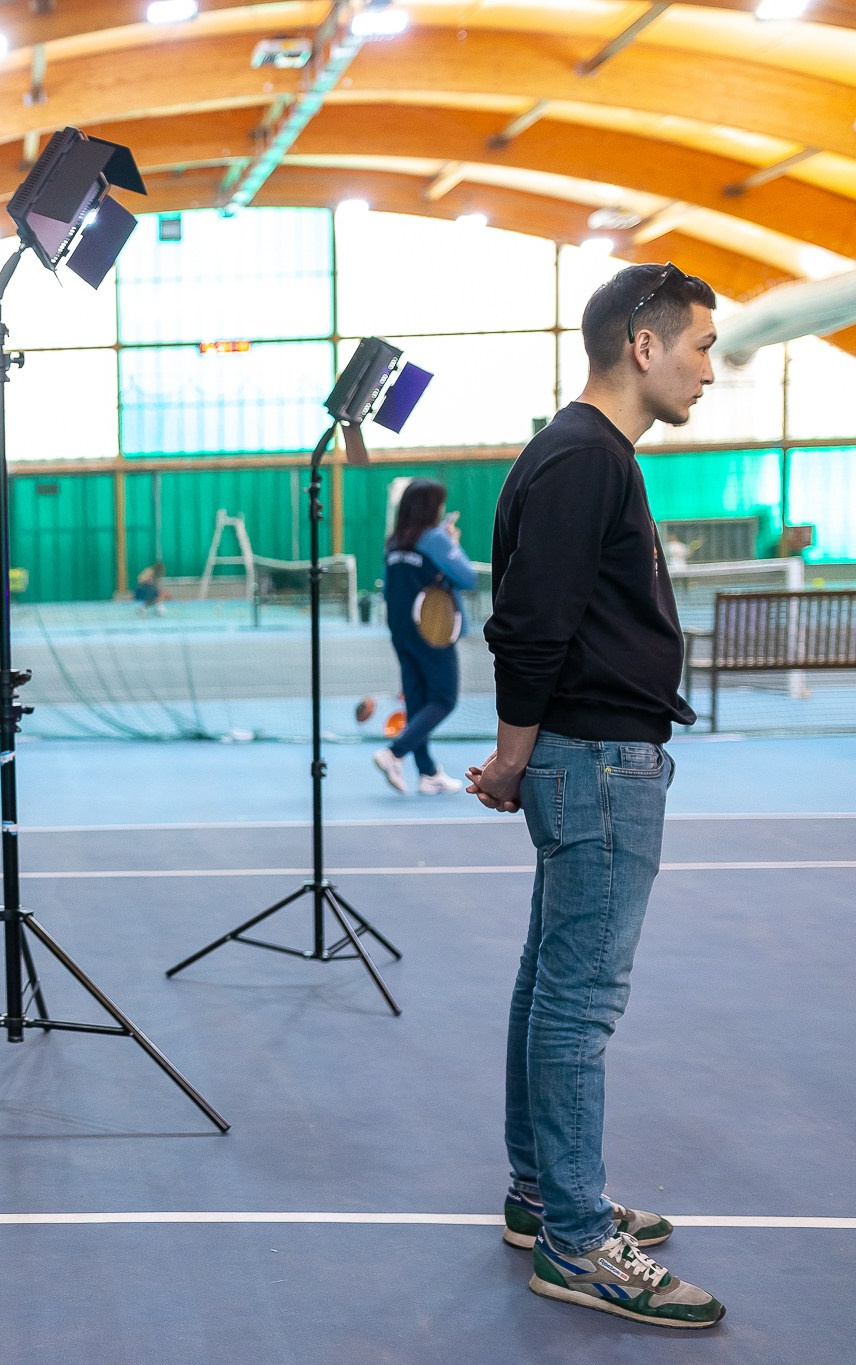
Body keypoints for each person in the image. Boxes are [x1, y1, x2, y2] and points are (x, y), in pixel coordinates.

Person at [467, 261, 724, 1329]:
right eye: (702, 347)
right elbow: (531, 623)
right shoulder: (584, 459)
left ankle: (540, 1197)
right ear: (642, 342)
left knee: (547, 987)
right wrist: (512, 755)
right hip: (594, 765)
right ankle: (576, 1243)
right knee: (576, 1006)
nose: (710, 371)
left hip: (585, 761)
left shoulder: (577, 452)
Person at [372, 481, 476, 795]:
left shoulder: (395, 543)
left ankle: (428, 772)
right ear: (430, 507)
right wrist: (451, 541)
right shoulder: (434, 538)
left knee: (418, 702)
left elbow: (390, 589)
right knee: (443, 699)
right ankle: (394, 752)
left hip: (401, 631)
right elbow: (468, 577)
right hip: (432, 632)